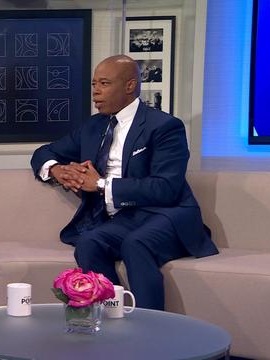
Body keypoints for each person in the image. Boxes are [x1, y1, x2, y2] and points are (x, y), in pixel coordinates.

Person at [30, 55, 218, 311]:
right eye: (94, 83)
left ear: (129, 86)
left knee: (136, 243)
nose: (95, 91)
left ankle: (149, 329)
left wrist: (100, 185)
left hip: (167, 215)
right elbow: (43, 153)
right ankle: (111, 317)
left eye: (104, 83)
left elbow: (165, 188)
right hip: (123, 220)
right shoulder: (93, 127)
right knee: (89, 242)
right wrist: (57, 170)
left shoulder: (164, 127)